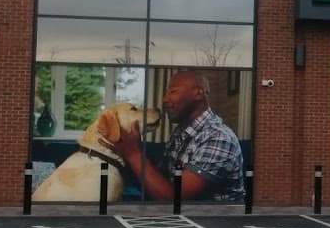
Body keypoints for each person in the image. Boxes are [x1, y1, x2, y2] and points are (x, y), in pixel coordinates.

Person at [104, 70, 244, 201]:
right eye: (166, 93)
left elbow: (174, 199)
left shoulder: (217, 138)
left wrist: (134, 154)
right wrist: (125, 152)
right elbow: (159, 180)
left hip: (216, 222)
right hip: (182, 218)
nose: (165, 99)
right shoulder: (182, 132)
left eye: (173, 91)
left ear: (198, 94)